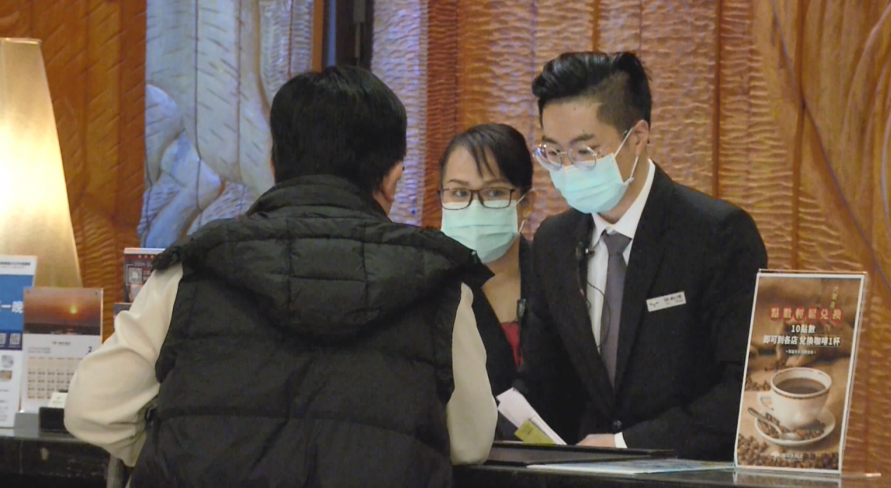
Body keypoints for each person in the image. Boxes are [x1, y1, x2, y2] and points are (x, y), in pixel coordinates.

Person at [65, 66, 498, 488]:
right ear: (392, 178)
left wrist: (172, 452)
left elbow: (93, 409)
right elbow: (471, 441)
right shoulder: (438, 283)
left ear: (274, 165)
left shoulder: (194, 270)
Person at [518, 51, 767, 460]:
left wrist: (626, 446)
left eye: (585, 152)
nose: (567, 169)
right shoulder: (554, 242)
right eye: (553, 153)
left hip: (688, 471)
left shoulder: (716, 234)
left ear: (637, 137)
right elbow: (546, 380)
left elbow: (744, 387)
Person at [438, 124, 535, 396]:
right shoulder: (430, 288)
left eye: (494, 193)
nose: (475, 207)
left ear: (527, 203)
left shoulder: (557, 277)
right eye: (459, 193)